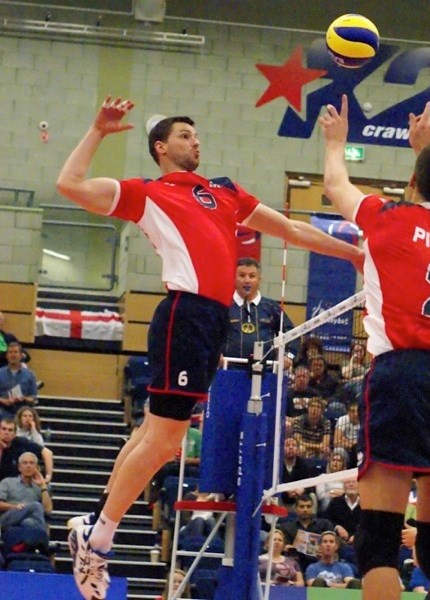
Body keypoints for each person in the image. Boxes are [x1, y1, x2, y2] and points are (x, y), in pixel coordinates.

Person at [55, 96, 364, 600]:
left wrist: (350, 251)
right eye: (184, 135)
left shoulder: (223, 191)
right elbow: (69, 185)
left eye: (197, 135)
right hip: (185, 314)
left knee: (154, 435)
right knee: (164, 442)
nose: (195, 141)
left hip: (210, 323)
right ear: (161, 147)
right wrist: (97, 130)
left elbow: (288, 229)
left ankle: (93, 524)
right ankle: (99, 536)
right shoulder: (148, 192)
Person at [320, 95, 430, 600]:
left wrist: (334, 141)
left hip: (401, 376)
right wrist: (429, 146)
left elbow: (334, 185)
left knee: (378, 542)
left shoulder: (388, 218)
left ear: (412, 182)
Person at [222, 257, 299, 369]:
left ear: (259, 280)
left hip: (265, 372)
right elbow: (209, 335)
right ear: (234, 278)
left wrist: (288, 356)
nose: (247, 280)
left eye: (252, 276)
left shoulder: (271, 307)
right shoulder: (224, 305)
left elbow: (293, 334)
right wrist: (214, 356)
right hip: (227, 371)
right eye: (242, 275)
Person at [0, 451, 52, 532]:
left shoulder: (43, 487)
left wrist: (43, 486)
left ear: (37, 467)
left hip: (30, 520)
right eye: (25, 463)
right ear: (19, 467)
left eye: (31, 463)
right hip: (9, 518)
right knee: (36, 506)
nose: (28, 465)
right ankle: (43, 537)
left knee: (29, 523)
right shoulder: (7, 482)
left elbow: (48, 510)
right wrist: (14, 507)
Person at [0, 417, 53, 484]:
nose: (6, 433)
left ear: (14, 434)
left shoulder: (20, 442)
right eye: (4, 429)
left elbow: (47, 453)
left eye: (10, 430)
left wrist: (48, 477)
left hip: (16, 484)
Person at [0, 341, 38, 419]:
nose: (13, 355)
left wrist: (24, 398)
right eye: (10, 352)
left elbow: (34, 399)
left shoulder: (30, 375)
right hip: (2, 415)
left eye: (15, 352)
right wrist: (4, 401)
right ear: (6, 355)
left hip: (21, 418)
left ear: (21, 356)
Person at [279, 436, 315, 511]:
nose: (290, 447)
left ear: (298, 450)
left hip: (298, 501)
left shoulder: (304, 465)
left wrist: (303, 489)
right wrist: (286, 489)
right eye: (287, 445)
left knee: (312, 496)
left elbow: (310, 484)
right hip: (281, 499)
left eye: (293, 445)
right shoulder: (277, 464)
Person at [315, 448, 347, 513]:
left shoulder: (347, 478)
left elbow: (349, 493)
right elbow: (320, 496)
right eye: (333, 460)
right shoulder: (322, 477)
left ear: (343, 464)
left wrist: (331, 492)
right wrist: (339, 493)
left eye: (339, 461)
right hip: (327, 506)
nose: (335, 462)